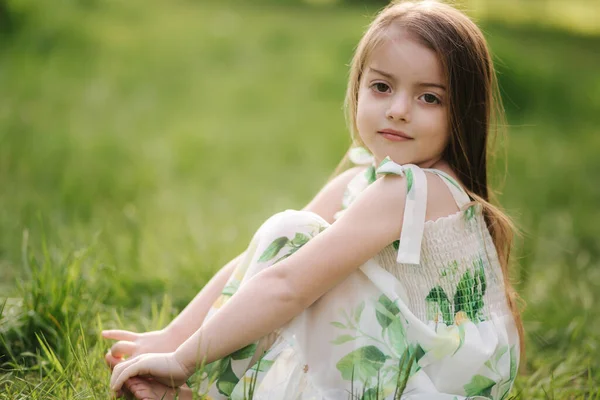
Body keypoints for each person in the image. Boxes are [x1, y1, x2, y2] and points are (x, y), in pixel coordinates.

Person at [104, 1, 524, 398]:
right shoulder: (367, 180)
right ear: (358, 87)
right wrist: (174, 335)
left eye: (428, 97)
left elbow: (286, 284)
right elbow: (262, 258)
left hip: (431, 384)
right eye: (381, 86)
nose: (398, 109)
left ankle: (197, 388)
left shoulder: (410, 191)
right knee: (292, 235)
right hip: (429, 370)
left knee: (295, 237)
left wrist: (183, 359)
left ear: (464, 111)